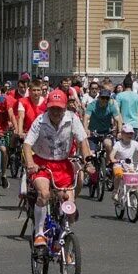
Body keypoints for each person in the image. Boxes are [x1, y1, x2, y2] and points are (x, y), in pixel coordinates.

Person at [22, 90, 97, 247]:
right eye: (53, 108)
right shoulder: (40, 120)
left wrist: (88, 162)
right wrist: (30, 164)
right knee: (44, 194)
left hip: (63, 165)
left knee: (68, 206)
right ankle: (40, 233)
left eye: (59, 109)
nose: (56, 112)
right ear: (48, 107)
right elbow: (27, 144)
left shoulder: (72, 118)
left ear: (65, 108)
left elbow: (82, 141)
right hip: (42, 164)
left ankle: (64, 242)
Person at [109, 123, 138, 200]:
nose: (129, 135)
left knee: (135, 179)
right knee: (118, 174)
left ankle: (135, 198)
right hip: (118, 164)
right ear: (122, 134)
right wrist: (113, 159)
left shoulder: (134, 143)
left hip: (129, 165)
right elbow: (112, 155)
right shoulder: (118, 144)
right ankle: (116, 191)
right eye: (127, 133)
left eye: (131, 133)